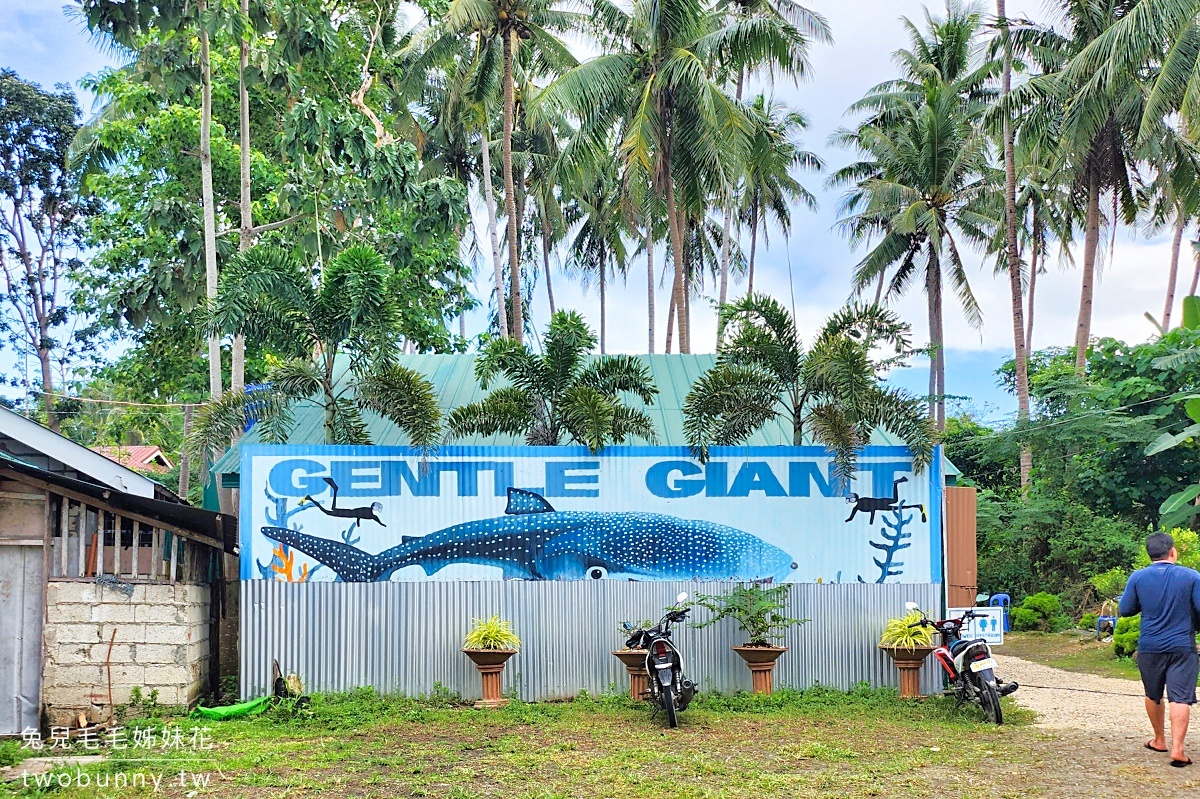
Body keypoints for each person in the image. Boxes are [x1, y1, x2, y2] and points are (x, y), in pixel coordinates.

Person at [1119, 532, 1200, 768]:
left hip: (1150, 646)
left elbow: (1126, 610)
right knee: (1180, 696)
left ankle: (1159, 739)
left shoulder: (1138, 577)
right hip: (1182, 646)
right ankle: (1178, 749)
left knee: (1153, 693)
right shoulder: (1192, 576)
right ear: (1173, 551)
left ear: (1149, 554)